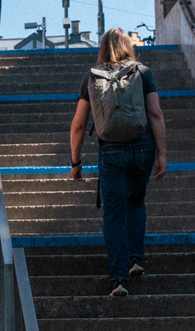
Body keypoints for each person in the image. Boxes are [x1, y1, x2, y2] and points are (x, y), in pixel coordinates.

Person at [69, 28, 169, 296]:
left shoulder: (91, 77)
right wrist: (162, 153)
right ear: (128, 46)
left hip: (110, 149)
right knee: (136, 202)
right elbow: (155, 114)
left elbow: (79, 124)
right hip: (143, 147)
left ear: (101, 49)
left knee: (113, 214)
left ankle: (118, 280)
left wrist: (75, 161)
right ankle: (135, 260)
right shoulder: (143, 72)